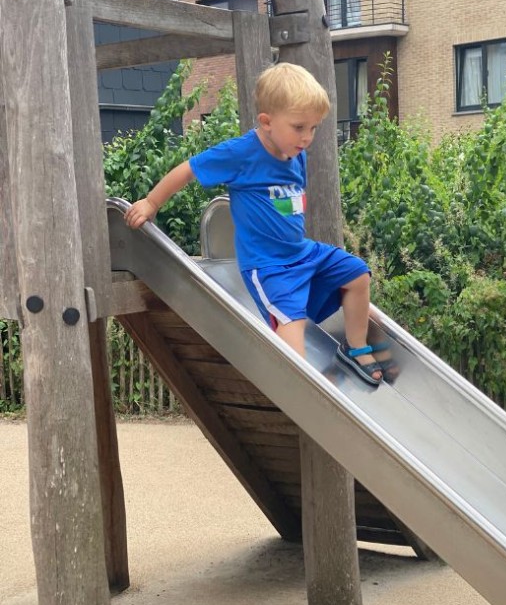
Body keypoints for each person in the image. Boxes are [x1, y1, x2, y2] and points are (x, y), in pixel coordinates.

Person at [125, 62, 392, 387]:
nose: (307, 138)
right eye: (298, 127)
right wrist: (151, 202)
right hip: (269, 267)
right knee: (293, 340)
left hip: (303, 253)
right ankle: (305, 393)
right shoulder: (242, 153)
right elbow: (190, 169)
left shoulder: (297, 154)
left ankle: (355, 347)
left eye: (314, 128)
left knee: (357, 274)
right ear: (266, 122)